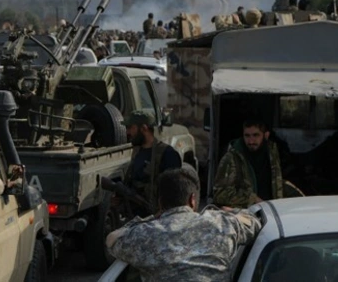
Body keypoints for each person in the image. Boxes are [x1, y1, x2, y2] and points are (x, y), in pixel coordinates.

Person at [107, 166, 261, 282]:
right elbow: (253, 221)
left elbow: (112, 238)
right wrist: (230, 212)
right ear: (193, 199)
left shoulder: (144, 234)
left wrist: (151, 218)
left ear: (160, 202)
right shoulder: (221, 223)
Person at [212, 119, 283, 208]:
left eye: (255, 135)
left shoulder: (272, 154)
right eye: (247, 136)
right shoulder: (232, 158)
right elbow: (219, 194)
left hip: (271, 211)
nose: (251, 141)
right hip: (245, 214)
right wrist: (252, 199)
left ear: (266, 135)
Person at [122, 110, 181, 215]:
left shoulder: (167, 154)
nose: (127, 132)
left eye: (131, 128)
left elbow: (174, 192)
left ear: (144, 128)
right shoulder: (137, 151)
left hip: (156, 219)